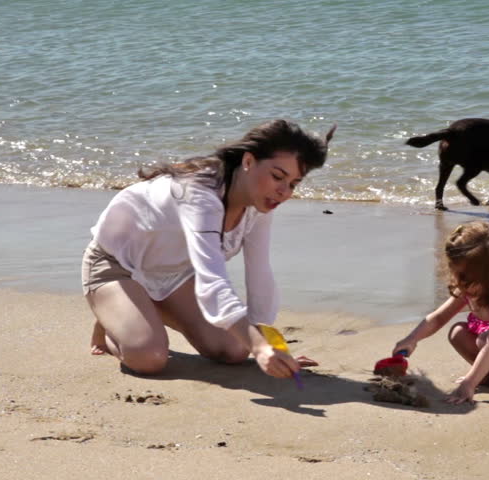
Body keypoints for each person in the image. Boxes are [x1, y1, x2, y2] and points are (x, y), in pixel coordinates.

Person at [81, 119, 335, 378]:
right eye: (278, 176)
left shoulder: (259, 203)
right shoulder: (200, 193)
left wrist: (269, 343)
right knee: (150, 358)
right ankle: (111, 318)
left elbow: (259, 272)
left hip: (174, 275)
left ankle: (140, 308)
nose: (283, 191)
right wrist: (258, 347)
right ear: (248, 162)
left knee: (235, 350)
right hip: (115, 265)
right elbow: (211, 280)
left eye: (293, 184)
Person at [391, 221, 489, 403]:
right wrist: (412, 339)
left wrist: (469, 383)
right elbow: (438, 318)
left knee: (486, 339)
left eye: (466, 277)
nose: (460, 282)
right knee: (457, 331)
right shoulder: (470, 286)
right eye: (457, 274)